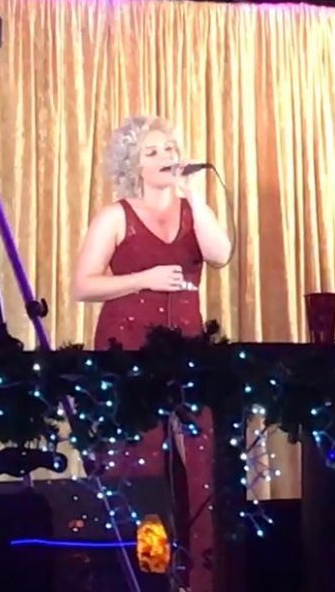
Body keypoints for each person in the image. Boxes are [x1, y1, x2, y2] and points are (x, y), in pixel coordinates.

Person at [72, 115, 233, 591]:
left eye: (169, 149)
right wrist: (143, 279)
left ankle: (200, 578)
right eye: (152, 151)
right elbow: (82, 285)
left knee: (201, 459)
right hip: (128, 348)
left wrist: (195, 199)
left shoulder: (192, 209)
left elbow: (220, 254)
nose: (166, 157)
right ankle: (144, 576)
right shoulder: (115, 217)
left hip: (186, 347)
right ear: (133, 165)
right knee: (136, 462)